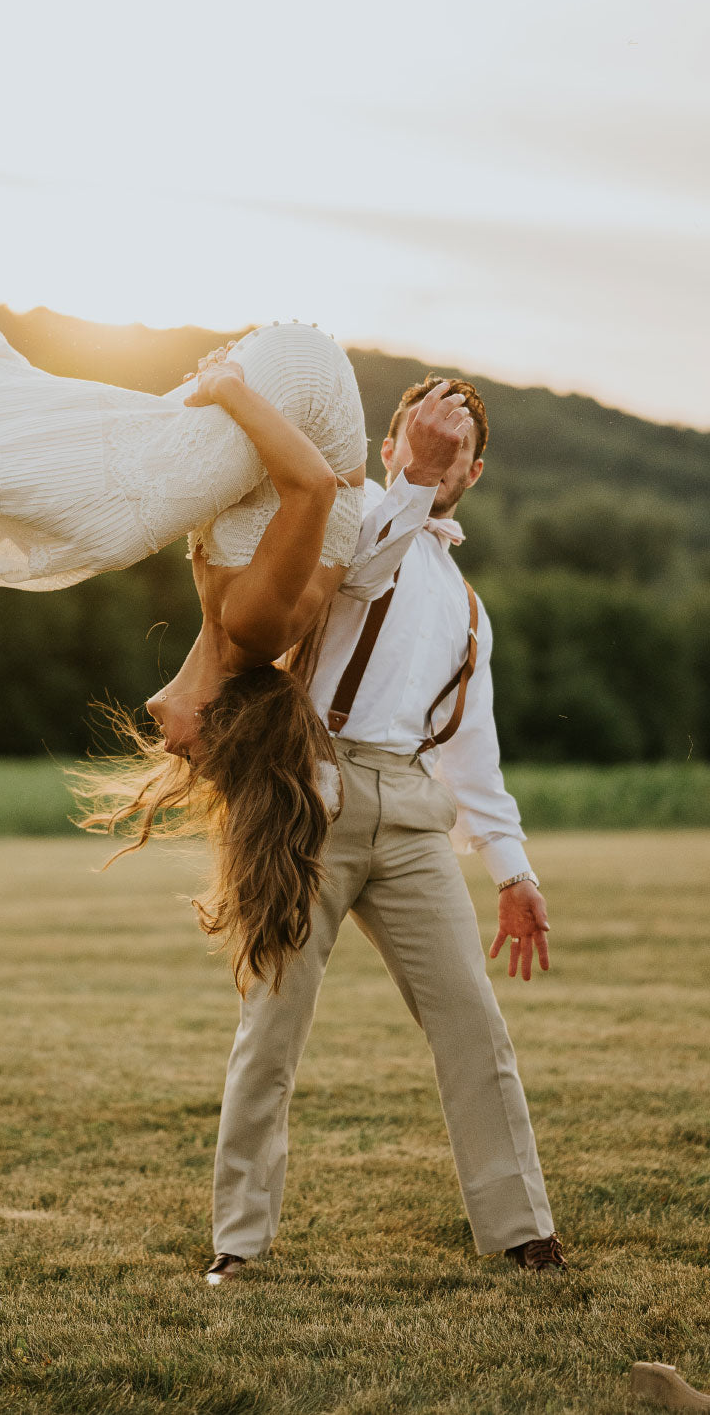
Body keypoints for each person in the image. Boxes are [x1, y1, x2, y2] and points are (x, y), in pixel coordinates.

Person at [0, 314, 470, 989]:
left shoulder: (224, 620)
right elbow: (315, 487)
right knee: (116, 521)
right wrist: (227, 387)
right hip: (312, 390)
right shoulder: (256, 628)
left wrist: (213, 390)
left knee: (131, 476)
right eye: (200, 758)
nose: (173, 751)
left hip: (285, 397)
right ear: (220, 718)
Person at [206, 375, 566, 1287]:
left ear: (474, 473)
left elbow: (473, 754)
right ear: (389, 442)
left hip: (411, 815)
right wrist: (411, 474)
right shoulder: (352, 522)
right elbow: (362, 574)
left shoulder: (470, 607)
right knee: (273, 1026)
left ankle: (524, 1231)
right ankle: (239, 1245)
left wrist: (513, 873)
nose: (432, 453)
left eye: (452, 449)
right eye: (414, 434)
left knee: (474, 1026)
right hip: (309, 791)